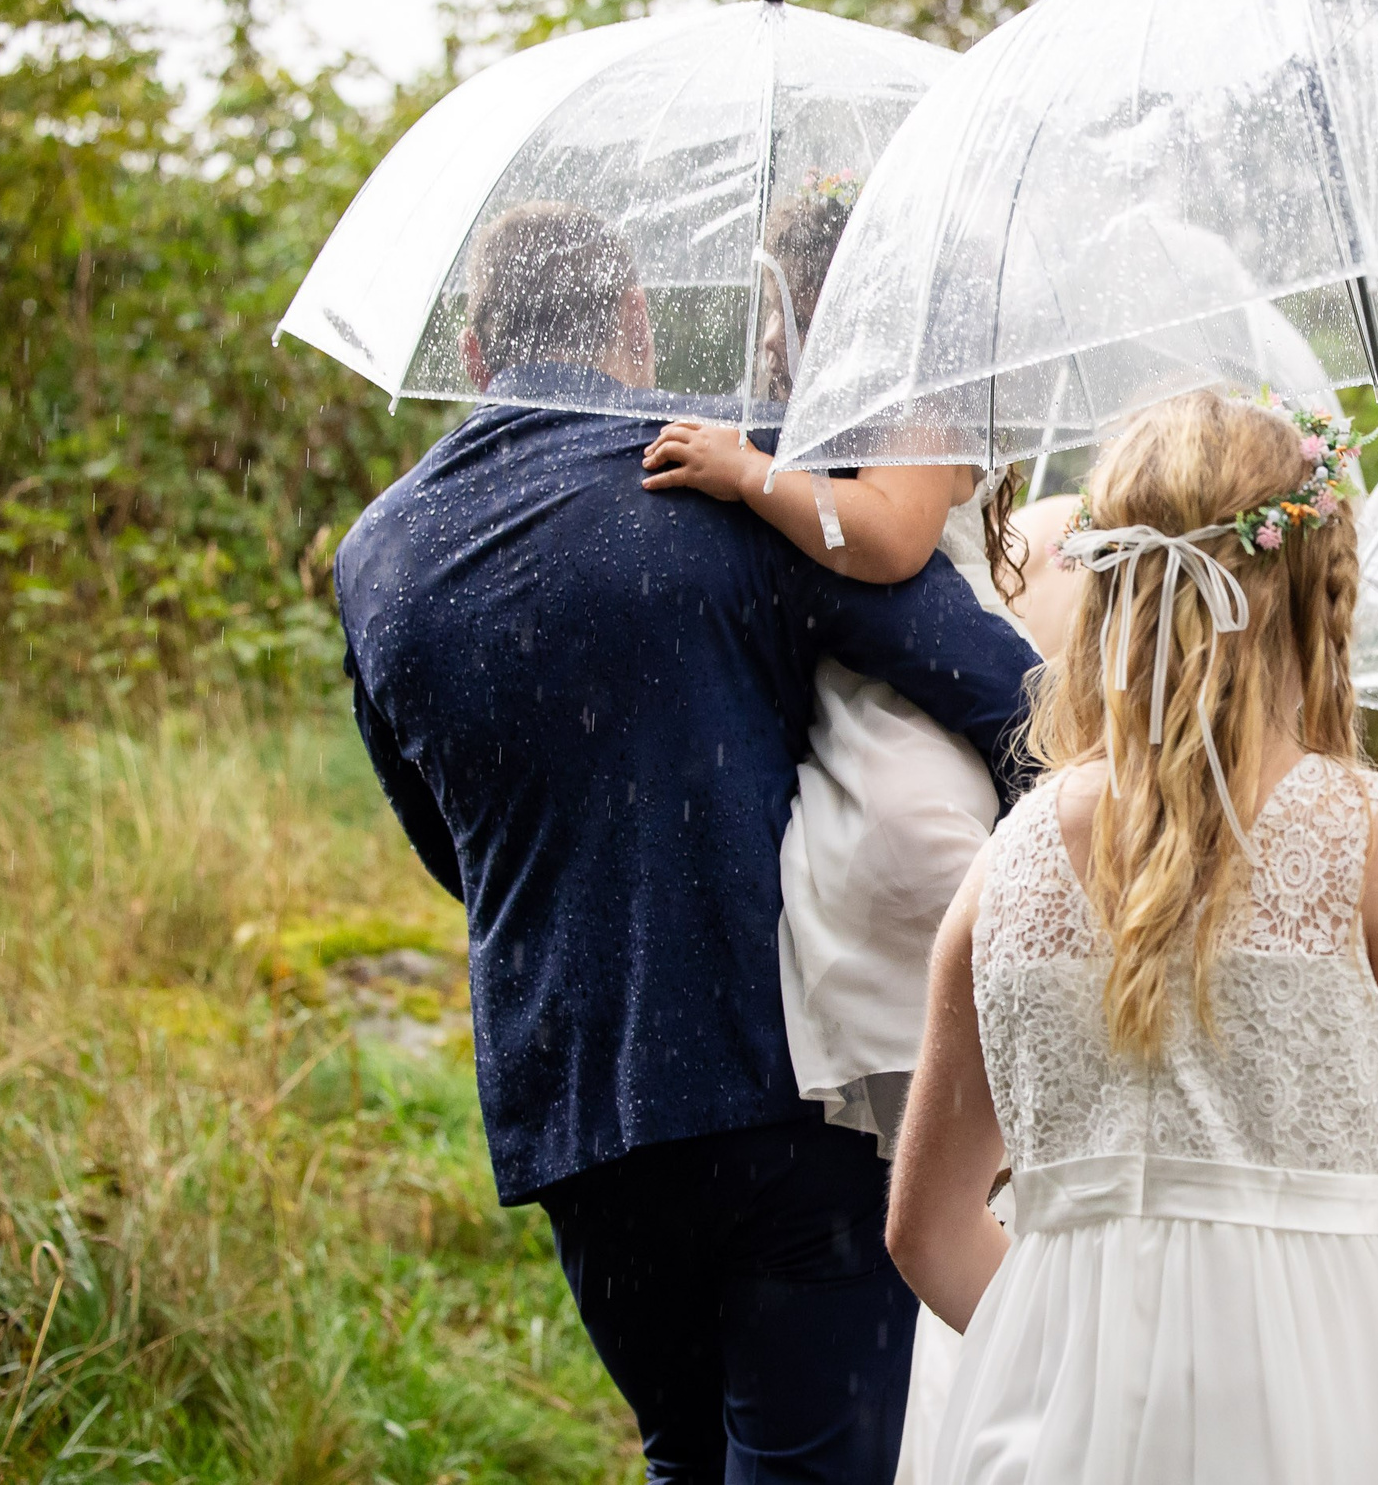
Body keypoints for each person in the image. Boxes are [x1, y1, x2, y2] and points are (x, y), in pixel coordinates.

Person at [335, 198, 1040, 1484]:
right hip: (781, 1083)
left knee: (680, 1455)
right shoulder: (722, 478)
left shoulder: (378, 556)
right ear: (635, 323)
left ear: (480, 354)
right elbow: (1003, 692)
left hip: (573, 1110)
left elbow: (447, 844)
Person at [885, 389, 1378, 1485]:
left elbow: (928, 1228)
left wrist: (1080, 1367)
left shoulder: (1007, 865)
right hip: (1315, 1415)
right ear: (1319, 598)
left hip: (1053, 1432)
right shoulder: (1370, 844)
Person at [641, 173, 1035, 1156]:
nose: (769, 333)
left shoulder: (918, 390)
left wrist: (750, 472)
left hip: (921, 711)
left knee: (917, 859)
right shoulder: (853, 401)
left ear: (840, 294)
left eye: (783, 299)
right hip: (855, 714)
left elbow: (892, 543)